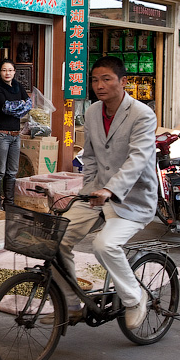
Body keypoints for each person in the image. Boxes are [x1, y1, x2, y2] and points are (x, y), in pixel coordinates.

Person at [53, 55, 158, 330]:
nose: (99, 85)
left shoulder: (142, 114)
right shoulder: (91, 112)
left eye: (106, 79)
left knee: (104, 245)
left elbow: (137, 160)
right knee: (55, 239)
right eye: (95, 80)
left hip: (132, 199)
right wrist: (89, 191)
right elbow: (89, 157)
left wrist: (111, 189)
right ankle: (71, 304)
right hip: (96, 196)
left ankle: (135, 299)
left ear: (123, 82)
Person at [0, 59, 32, 209]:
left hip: (15, 134)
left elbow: (29, 104)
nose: (7, 73)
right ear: (0, 72)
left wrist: (18, 106)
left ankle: (9, 204)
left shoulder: (18, 86)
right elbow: (6, 107)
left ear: (14, 72)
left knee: (12, 172)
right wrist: (21, 106)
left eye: (10, 70)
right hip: (0, 134)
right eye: (4, 70)